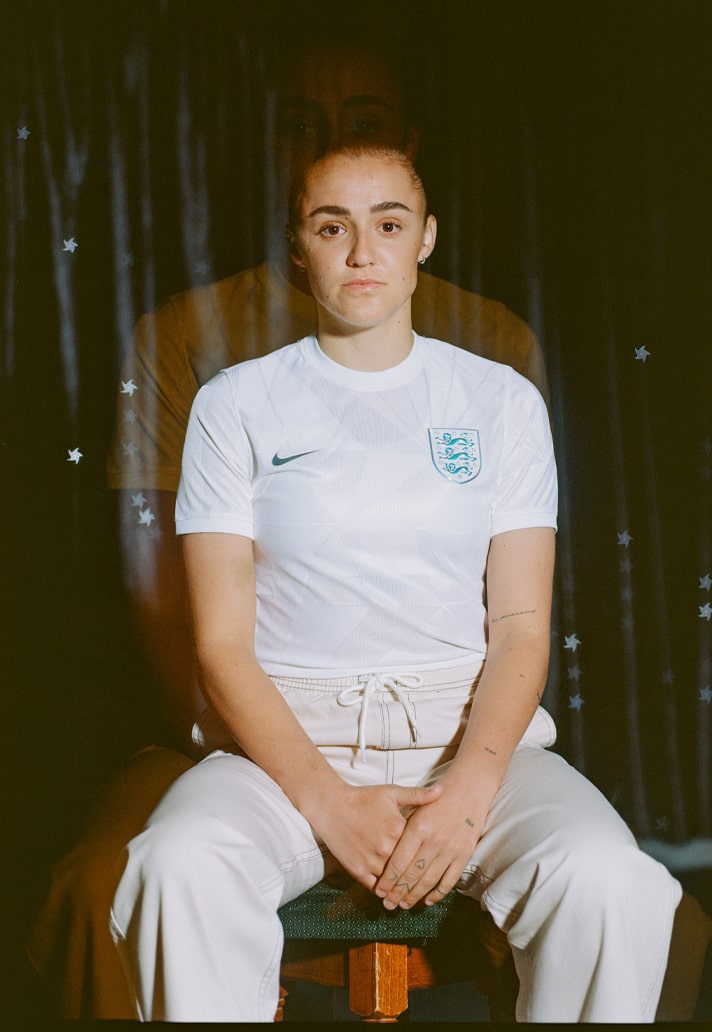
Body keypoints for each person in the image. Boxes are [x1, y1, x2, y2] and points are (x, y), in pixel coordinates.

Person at [109, 145, 681, 1023]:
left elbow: (522, 627)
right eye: (330, 227)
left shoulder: (500, 401)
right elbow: (220, 644)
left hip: (468, 737)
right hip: (284, 745)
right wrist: (327, 802)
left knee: (609, 880)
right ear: (298, 247)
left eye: (388, 223)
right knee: (174, 867)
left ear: (426, 239)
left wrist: (468, 796)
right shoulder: (235, 403)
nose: (361, 252)